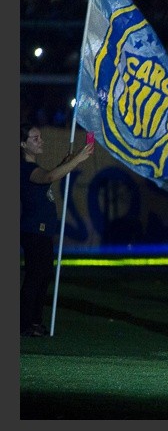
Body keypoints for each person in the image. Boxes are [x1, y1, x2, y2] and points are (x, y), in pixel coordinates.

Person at [20, 122, 95, 337]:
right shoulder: (25, 168)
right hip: (34, 231)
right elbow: (50, 177)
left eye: (40, 137)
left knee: (42, 277)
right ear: (22, 144)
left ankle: (34, 322)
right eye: (35, 138)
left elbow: (50, 173)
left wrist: (69, 161)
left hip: (42, 232)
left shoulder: (34, 167)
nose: (40, 141)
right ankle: (24, 324)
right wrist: (77, 160)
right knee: (35, 277)